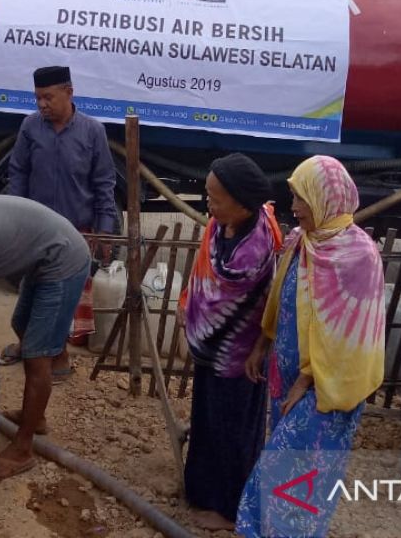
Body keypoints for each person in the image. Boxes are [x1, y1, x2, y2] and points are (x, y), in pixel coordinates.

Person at [236, 155, 385, 538]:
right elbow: (281, 299)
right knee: (289, 469)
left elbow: (352, 340)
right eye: (293, 196)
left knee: (293, 471)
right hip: (285, 374)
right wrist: (262, 345)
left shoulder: (358, 256)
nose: (294, 207)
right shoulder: (303, 242)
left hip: (327, 390)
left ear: (326, 199)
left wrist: (307, 381)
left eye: (302, 198)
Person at [178, 154, 281, 532]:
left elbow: (231, 298)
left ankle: (229, 508)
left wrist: (202, 317)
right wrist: (190, 303)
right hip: (212, 350)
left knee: (232, 430)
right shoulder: (221, 226)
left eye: (216, 198)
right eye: (208, 194)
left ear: (241, 203)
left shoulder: (254, 250)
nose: (209, 204)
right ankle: (202, 492)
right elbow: (202, 272)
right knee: (206, 419)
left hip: (239, 355)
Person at [0, 195, 90, 482]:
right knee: (21, 323)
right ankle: (38, 415)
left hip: (64, 259)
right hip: (43, 257)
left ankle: (23, 448)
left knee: (35, 354)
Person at [2, 65, 117, 360]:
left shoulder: (93, 131)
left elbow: (105, 183)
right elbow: (18, 173)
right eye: (38, 98)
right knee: (32, 294)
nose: (42, 104)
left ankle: (57, 357)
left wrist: (103, 232)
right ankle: (31, 346)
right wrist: (15, 218)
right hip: (36, 230)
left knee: (62, 299)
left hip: (76, 232)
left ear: (69, 93)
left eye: (48, 97)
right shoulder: (30, 127)